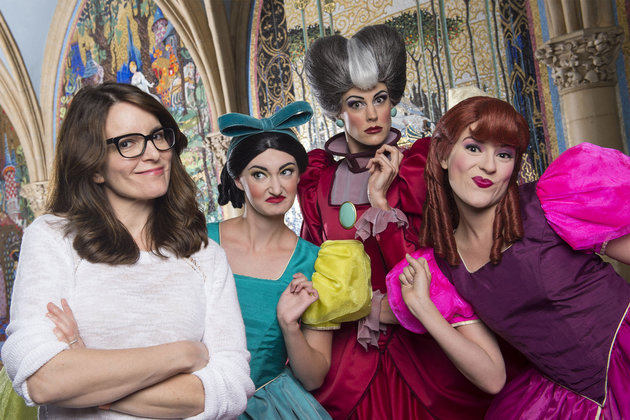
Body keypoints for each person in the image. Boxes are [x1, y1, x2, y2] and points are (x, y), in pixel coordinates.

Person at [1, 82, 254, 419]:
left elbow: (231, 389)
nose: (153, 153)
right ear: (92, 165)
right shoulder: (52, 238)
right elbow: (43, 379)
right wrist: (185, 354)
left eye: (158, 135)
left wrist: (90, 377)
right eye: (128, 143)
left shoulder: (204, 254)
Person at [299, 24, 495, 419]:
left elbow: (442, 260)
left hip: (423, 352)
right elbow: (314, 268)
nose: (372, 114)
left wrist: (380, 203)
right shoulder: (319, 182)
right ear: (337, 108)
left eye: (381, 98)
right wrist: (356, 305)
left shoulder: (422, 168)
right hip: (349, 360)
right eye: (356, 103)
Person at [396, 95, 630, 418]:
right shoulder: (446, 268)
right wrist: (424, 308)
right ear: (444, 153)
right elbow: (493, 378)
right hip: (573, 400)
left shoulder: (548, 207)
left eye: (503, 154)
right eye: (474, 147)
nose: (489, 166)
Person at [212, 101, 370, 419]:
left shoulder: (319, 263)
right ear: (239, 180)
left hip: (267, 407)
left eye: (286, 172)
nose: (276, 187)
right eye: (259, 174)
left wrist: (290, 326)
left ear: (298, 176)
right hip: (193, 400)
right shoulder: (199, 242)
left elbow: (313, 377)